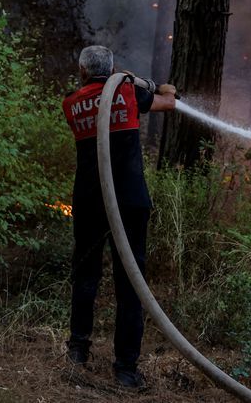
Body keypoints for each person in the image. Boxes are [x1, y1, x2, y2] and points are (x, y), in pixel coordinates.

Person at [61, 45, 176, 389]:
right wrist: (164, 87)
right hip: (130, 202)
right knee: (131, 284)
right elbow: (168, 103)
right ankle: (126, 369)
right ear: (112, 71)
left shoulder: (71, 102)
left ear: (82, 71)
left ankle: (77, 352)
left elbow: (95, 101)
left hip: (89, 202)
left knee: (85, 276)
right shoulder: (128, 92)